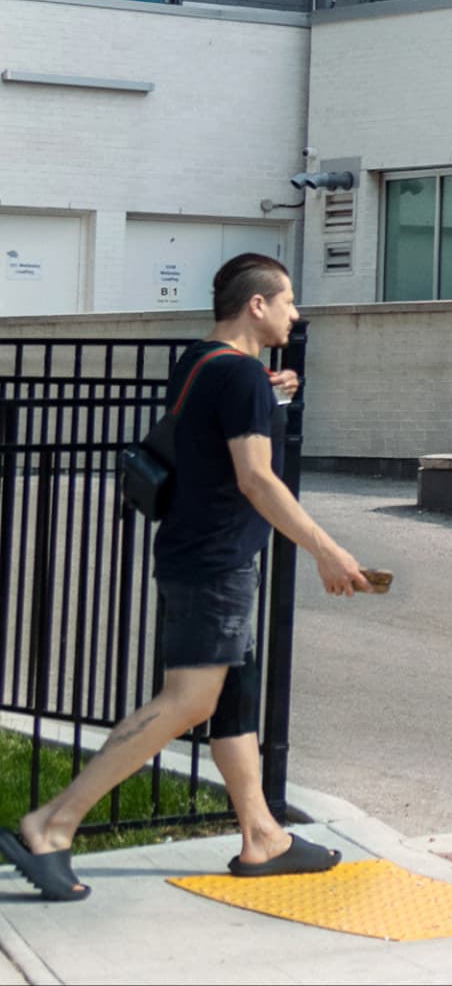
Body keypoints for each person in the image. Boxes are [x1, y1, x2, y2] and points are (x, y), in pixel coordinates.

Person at [2, 253, 372, 900]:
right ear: (257, 305)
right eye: (288, 300)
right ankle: (51, 825)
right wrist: (326, 550)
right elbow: (256, 478)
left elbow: (216, 430)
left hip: (197, 554)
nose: (295, 313)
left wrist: (272, 395)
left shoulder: (201, 363)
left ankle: (263, 838)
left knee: (231, 704)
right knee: (189, 701)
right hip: (215, 563)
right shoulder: (242, 377)